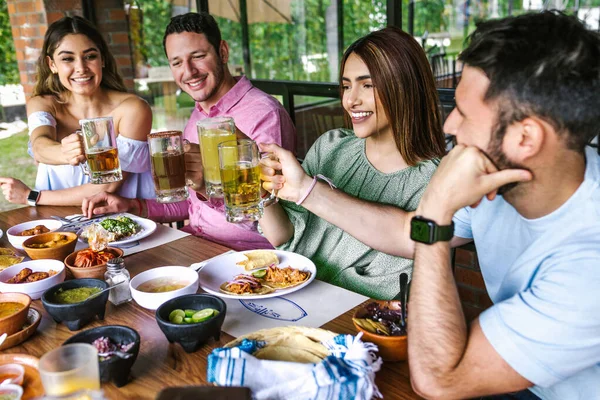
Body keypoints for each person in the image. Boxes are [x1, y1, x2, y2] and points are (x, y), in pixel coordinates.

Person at [258, 27, 446, 299]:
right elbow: (282, 236)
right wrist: (262, 193)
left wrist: (308, 191)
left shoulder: (433, 181)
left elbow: (389, 284)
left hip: (356, 321)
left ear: (405, 87)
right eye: (346, 86)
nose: (350, 100)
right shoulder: (331, 146)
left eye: (367, 85)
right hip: (288, 296)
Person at [82, 12, 296, 251]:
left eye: (198, 56)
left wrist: (206, 186)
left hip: (245, 253)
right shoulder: (198, 117)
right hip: (195, 239)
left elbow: (264, 220)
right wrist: (133, 207)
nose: (189, 71)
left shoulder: (263, 113)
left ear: (223, 52)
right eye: (177, 62)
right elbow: (194, 206)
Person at [0, 16, 155, 206]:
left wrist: (31, 196)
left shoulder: (133, 109)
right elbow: (39, 145)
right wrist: (64, 152)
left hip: (125, 224)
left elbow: (105, 187)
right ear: (52, 65)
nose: (81, 68)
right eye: (67, 59)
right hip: (58, 224)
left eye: (90, 56)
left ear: (102, 59)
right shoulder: (43, 104)